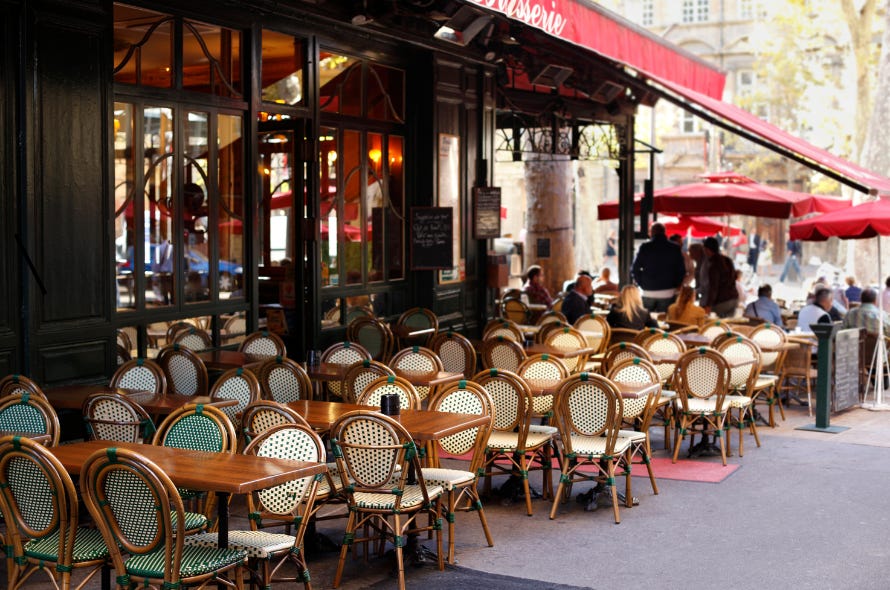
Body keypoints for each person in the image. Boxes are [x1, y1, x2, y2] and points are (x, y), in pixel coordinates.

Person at [631, 223, 686, 313]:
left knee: (646, 318)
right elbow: (681, 270)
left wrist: (642, 283)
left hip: (648, 290)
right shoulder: (674, 248)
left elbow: (635, 268)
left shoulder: (645, 247)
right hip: (668, 291)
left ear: (652, 232)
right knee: (664, 319)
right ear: (664, 232)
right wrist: (676, 284)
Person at [701, 236, 738, 318]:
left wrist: (708, 305)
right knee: (728, 324)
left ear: (707, 249)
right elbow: (735, 276)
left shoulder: (714, 265)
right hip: (734, 298)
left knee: (716, 324)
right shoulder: (727, 260)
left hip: (722, 301)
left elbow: (714, 287)